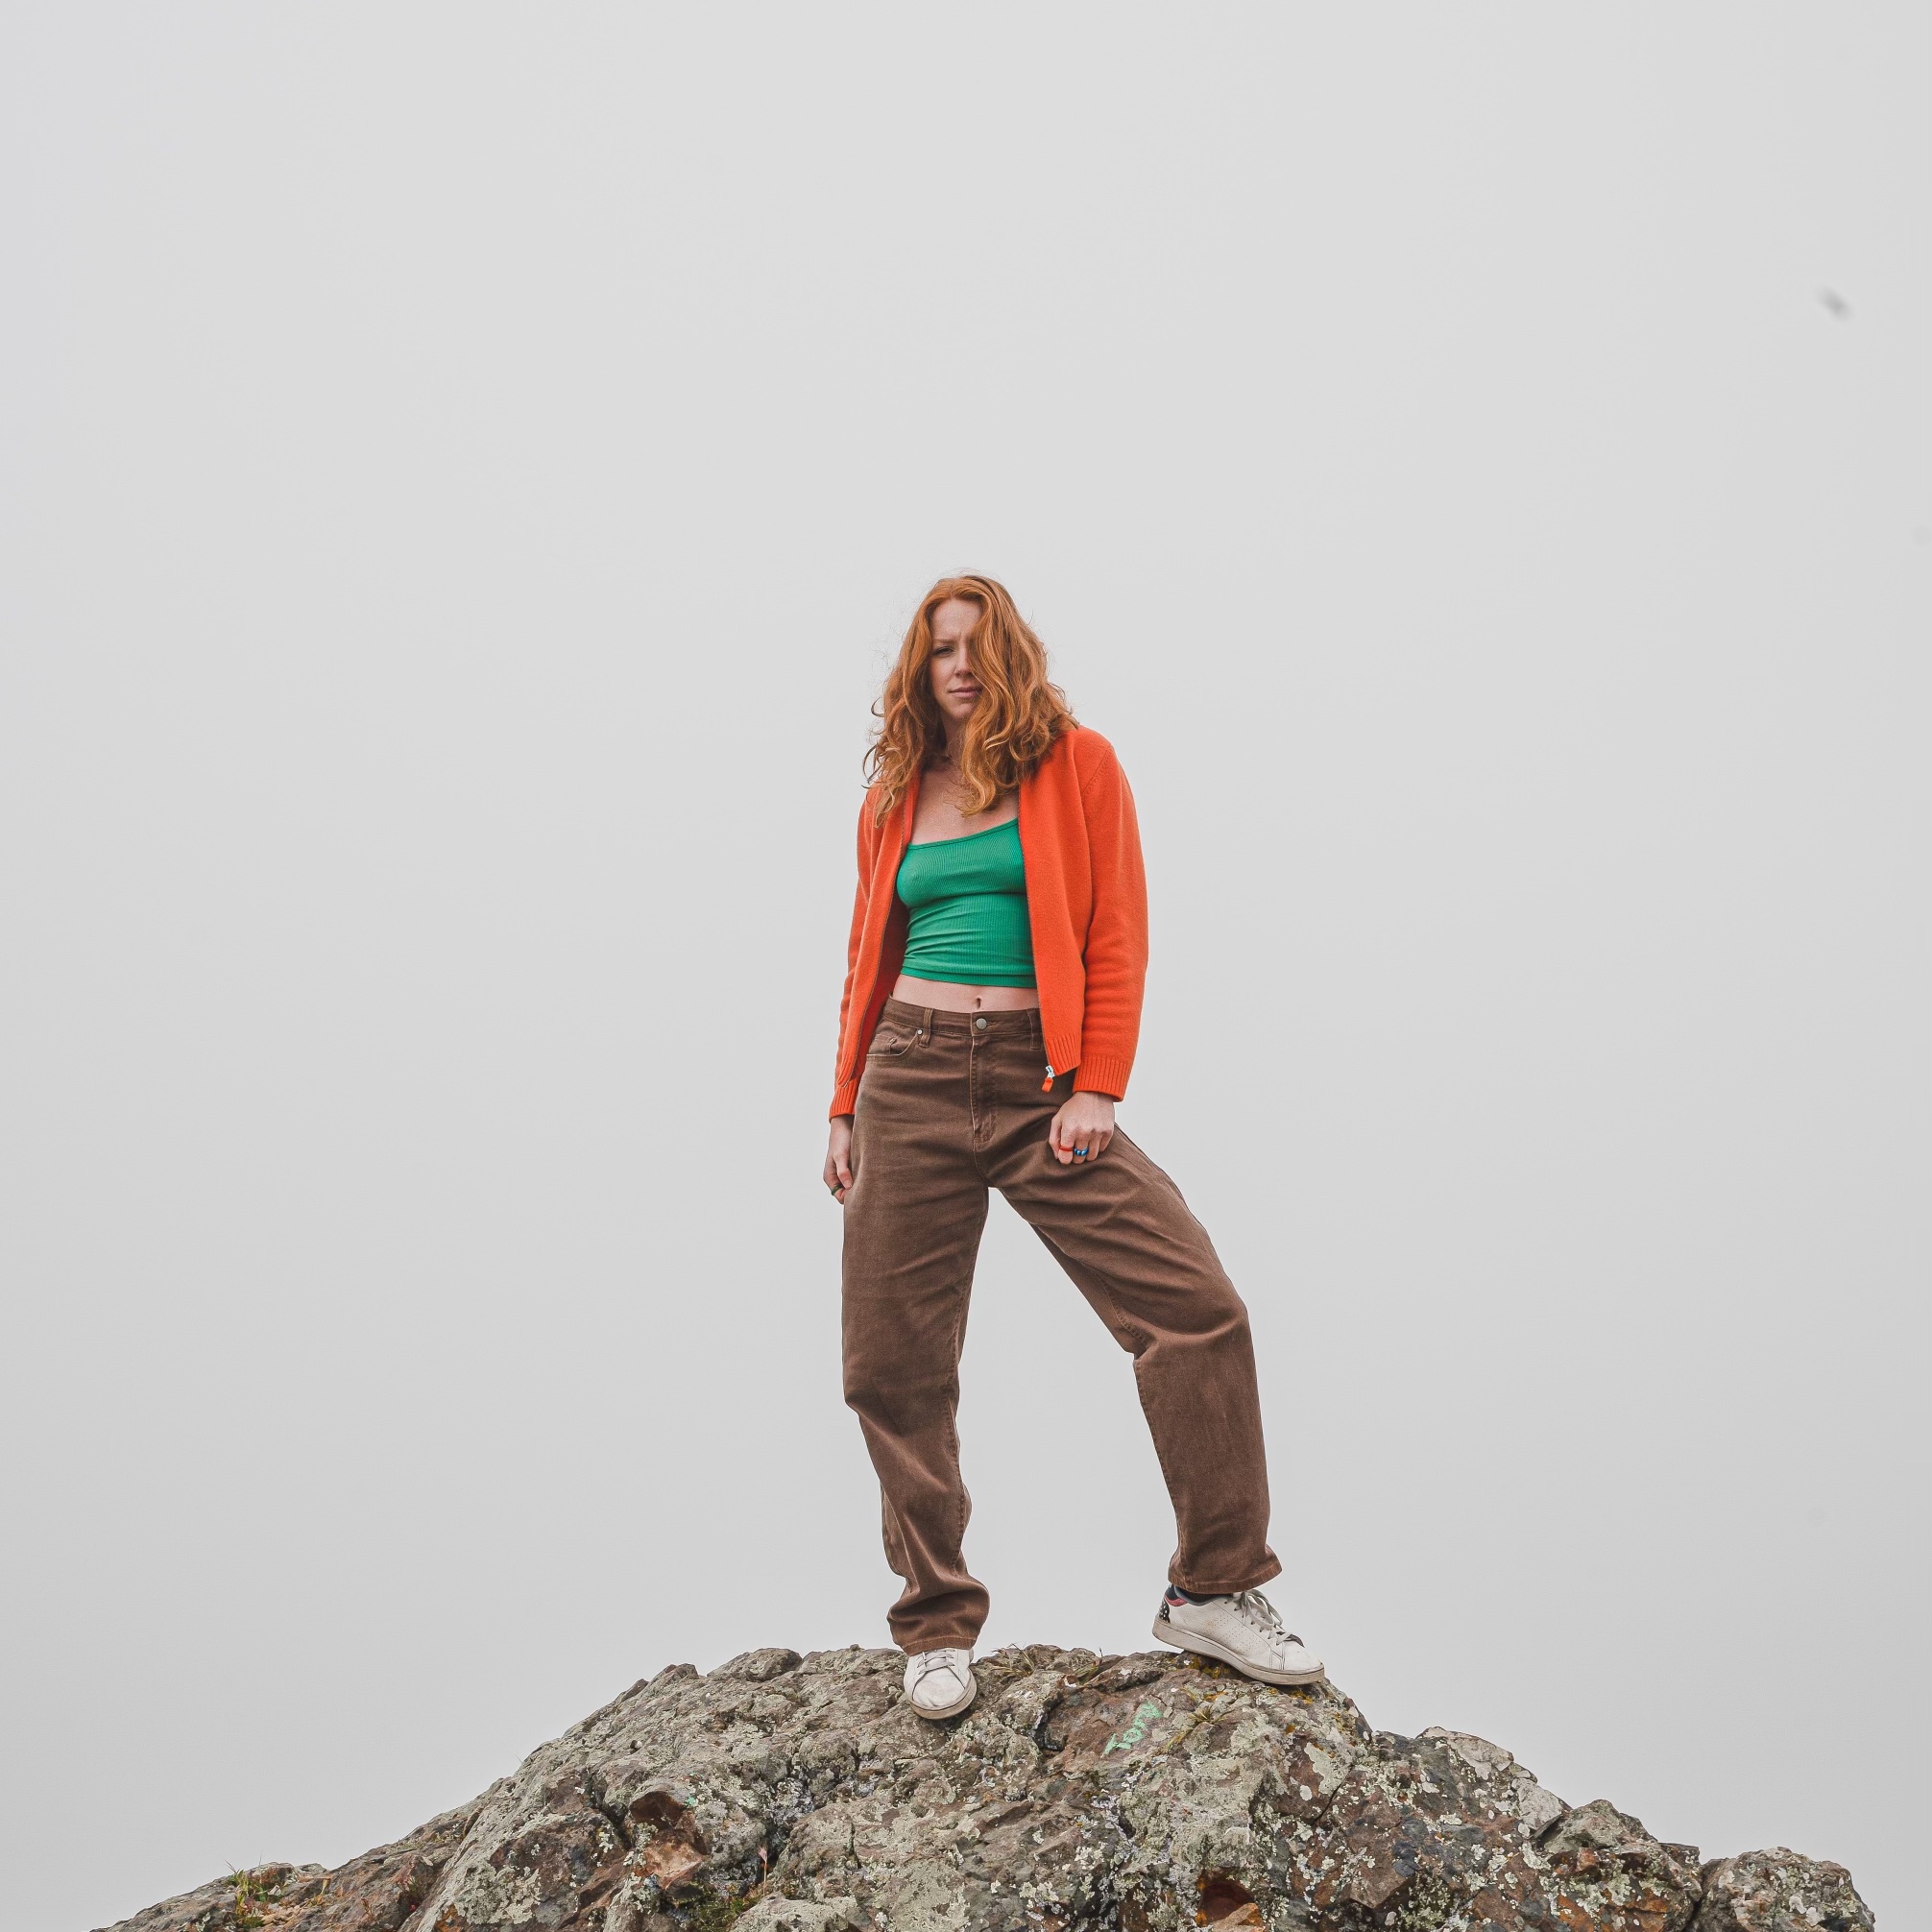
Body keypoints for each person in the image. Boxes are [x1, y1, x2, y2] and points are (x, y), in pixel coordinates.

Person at [825, 574, 1321, 1722]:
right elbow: (864, 951)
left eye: (974, 645)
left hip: (1037, 1085)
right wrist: (844, 1099)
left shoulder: (1077, 764)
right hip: (905, 1069)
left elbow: (1114, 931)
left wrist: (1096, 1081)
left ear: (1008, 656)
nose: (956, 664)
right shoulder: (897, 792)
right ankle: (935, 1621)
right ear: (918, 668)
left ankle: (1214, 1584)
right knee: (889, 1366)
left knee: (1195, 1306)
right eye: (937, 648)